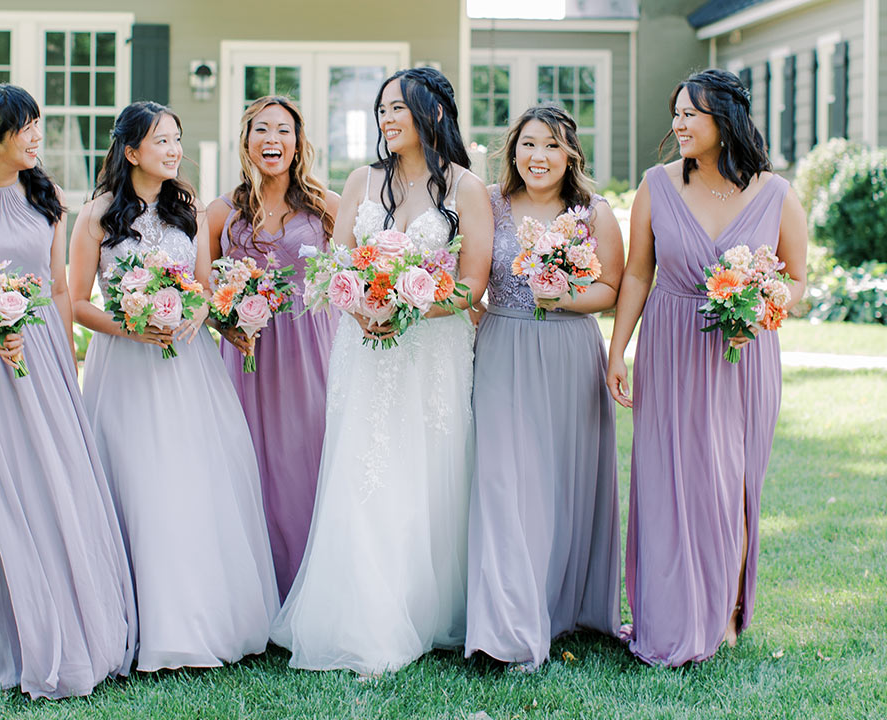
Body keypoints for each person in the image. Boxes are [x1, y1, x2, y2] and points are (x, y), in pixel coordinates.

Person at [270, 67, 493, 675]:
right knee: (363, 471)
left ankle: (424, 609)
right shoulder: (362, 181)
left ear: (435, 114)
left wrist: (411, 306)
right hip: (361, 348)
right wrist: (363, 305)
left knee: (424, 470)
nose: (387, 120)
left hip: (431, 351)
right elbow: (333, 268)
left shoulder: (469, 189)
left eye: (399, 108)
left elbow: (473, 284)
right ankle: (360, 615)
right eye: (382, 110)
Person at [0, 83, 136, 698]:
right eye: (25, 128)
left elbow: (60, 287)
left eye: (38, 123)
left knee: (48, 486)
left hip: (39, 356)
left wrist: (67, 360)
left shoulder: (49, 196)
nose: (37, 135)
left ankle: (63, 617)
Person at [606, 69, 808, 666]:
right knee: (669, 480)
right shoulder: (655, 185)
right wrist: (618, 350)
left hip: (743, 356)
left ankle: (722, 616)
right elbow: (639, 272)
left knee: (733, 484)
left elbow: (797, 279)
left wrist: (765, 306)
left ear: (726, 120)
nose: (679, 124)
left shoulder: (776, 193)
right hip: (671, 346)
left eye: (691, 113)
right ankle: (669, 614)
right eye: (676, 113)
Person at [68, 101, 278, 671]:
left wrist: (224, 319)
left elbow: (205, 289)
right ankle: (135, 620)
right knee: (137, 481)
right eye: (162, 140)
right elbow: (78, 302)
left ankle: (198, 618)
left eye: (177, 139)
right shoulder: (96, 216)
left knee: (190, 482)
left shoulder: (188, 210)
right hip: (126, 368)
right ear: (131, 150)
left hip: (188, 366)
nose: (174, 149)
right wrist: (132, 326)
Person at [464, 105, 624, 671]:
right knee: (504, 482)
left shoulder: (592, 212)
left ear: (570, 155)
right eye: (528, 144)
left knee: (561, 482)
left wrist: (560, 298)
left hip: (569, 352)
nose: (538, 157)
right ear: (513, 151)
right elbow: (470, 275)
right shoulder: (489, 203)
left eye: (552, 146)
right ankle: (505, 628)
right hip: (504, 349)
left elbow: (612, 288)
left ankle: (559, 607)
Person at [207, 96, 340, 602]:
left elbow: (348, 268)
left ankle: (310, 586)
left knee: (308, 456)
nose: (272, 140)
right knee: (249, 461)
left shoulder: (323, 204)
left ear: (298, 142)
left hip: (311, 348)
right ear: (245, 142)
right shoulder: (222, 211)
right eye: (261, 130)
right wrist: (227, 321)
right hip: (246, 355)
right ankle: (254, 589)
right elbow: (202, 288)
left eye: (283, 131)